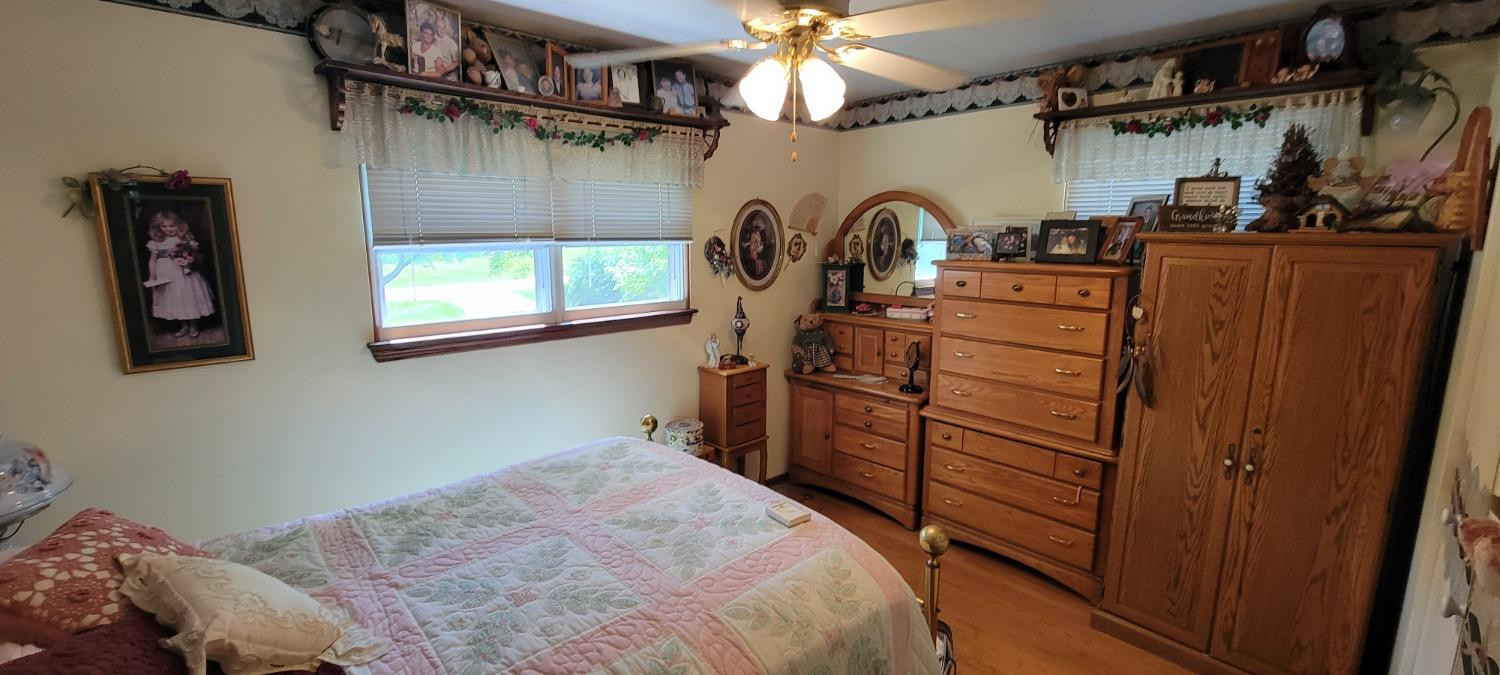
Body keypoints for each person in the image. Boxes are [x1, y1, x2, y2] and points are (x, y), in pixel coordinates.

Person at [144, 211, 215, 339]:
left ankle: (193, 325)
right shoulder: (156, 242)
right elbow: (152, 260)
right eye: (164, 226)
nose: (169, 229)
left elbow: (197, 256)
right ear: (158, 228)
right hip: (167, 274)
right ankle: (184, 326)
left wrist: (191, 259)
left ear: (180, 225)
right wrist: (152, 276)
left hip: (185, 272)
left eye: (172, 225)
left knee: (189, 296)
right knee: (174, 298)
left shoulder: (185, 239)